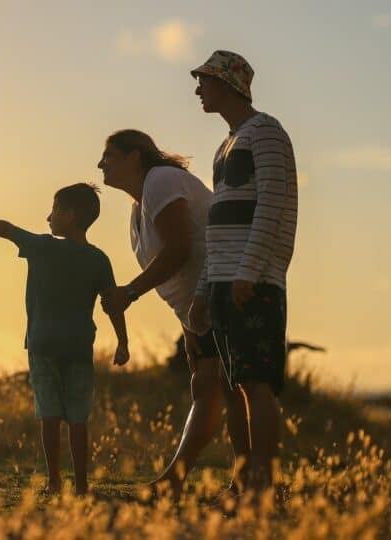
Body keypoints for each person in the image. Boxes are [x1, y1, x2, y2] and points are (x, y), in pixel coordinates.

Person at [0, 183, 129, 495]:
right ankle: (81, 485)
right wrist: (123, 341)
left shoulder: (42, 246)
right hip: (79, 347)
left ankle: (54, 482)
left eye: (54, 210)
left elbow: (5, 229)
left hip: (42, 346)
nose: (48, 217)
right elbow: (112, 303)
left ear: (70, 215)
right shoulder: (98, 259)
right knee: (78, 418)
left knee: (49, 415)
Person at [97, 130, 250, 498]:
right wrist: (190, 328)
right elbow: (182, 267)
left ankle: (235, 483)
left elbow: (180, 250)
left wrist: (130, 292)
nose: (101, 164)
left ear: (136, 157)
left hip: (226, 289)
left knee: (228, 389)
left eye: (110, 155)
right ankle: (226, 481)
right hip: (202, 304)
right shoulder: (141, 204)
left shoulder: (161, 181)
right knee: (212, 387)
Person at [188, 50, 298, 495]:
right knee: (233, 387)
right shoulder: (225, 145)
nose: (198, 89)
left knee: (256, 383)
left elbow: (273, 205)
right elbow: (219, 225)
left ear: (229, 85)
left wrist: (249, 272)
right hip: (222, 283)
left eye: (205, 80)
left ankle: (264, 487)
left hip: (253, 283)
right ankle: (242, 482)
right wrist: (202, 290)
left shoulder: (266, 132)